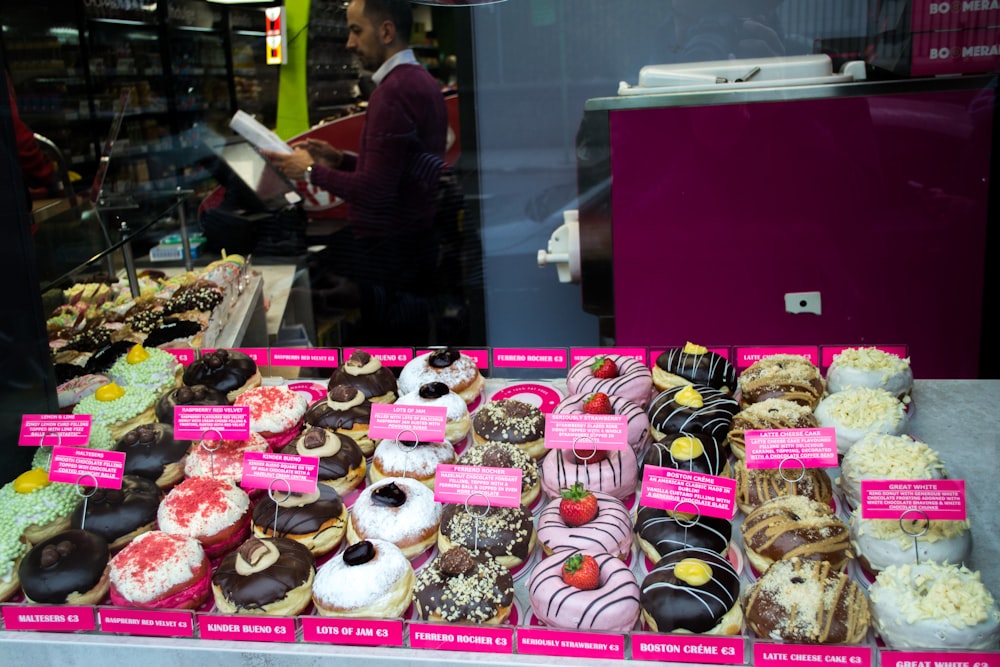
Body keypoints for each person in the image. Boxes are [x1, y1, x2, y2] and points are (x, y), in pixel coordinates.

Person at [265, 0, 449, 346]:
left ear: (386, 31)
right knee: (412, 350)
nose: (349, 43)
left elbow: (376, 192)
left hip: (391, 257)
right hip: (412, 247)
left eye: (356, 30)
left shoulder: (391, 93)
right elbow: (400, 170)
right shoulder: (421, 81)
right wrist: (340, 159)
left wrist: (308, 170)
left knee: (392, 357)